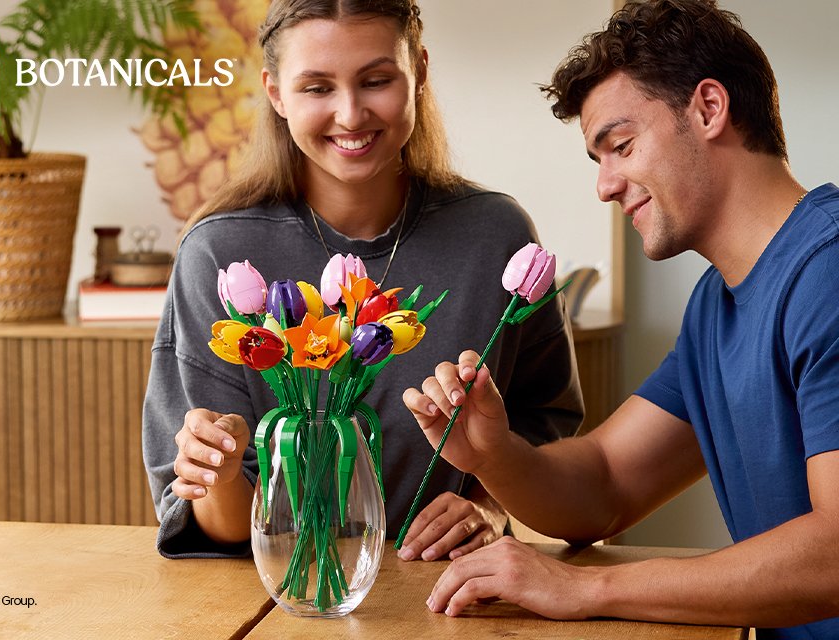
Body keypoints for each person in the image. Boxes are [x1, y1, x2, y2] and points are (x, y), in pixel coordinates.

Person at [403, 0, 839, 637]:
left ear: (709, 108)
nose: (605, 186)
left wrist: (585, 587)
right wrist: (494, 456)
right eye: (599, 159)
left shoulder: (827, 275)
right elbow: (605, 485)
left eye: (622, 146)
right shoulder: (716, 306)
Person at [142, 0, 583, 562]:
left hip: (448, 581)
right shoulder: (219, 255)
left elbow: (547, 422)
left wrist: (490, 502)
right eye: (317, 88)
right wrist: (219, 472)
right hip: (276, 591)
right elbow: (219, 526)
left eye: (376, 81)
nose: (350, 115)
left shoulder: (496, 235)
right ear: (276, 94)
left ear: (418, 72)